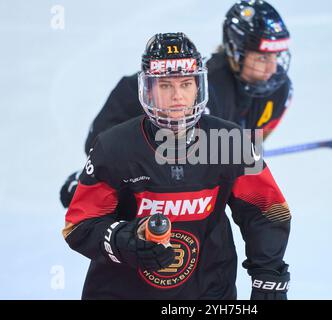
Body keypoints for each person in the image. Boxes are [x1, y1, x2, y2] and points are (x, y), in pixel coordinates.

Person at [63, 32, 291, 300]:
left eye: (185, 84)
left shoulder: (230, 142)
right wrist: (123, 241)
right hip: (121, 292)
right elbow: (79, 225)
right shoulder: (114, 146)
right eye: (165, 86)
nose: (177, 97)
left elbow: (265, 211)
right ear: (147, 90)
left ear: (199, 87)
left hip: (208, 291)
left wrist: (269, 276)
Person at [60, 0, 292, 208]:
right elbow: (186, 168)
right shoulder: (205, 89)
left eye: (275, 56)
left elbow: (249, 148)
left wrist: (241, 158)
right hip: (150, 186)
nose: (272, 68)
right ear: (236, 50)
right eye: (262, 57)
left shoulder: (281, 90)